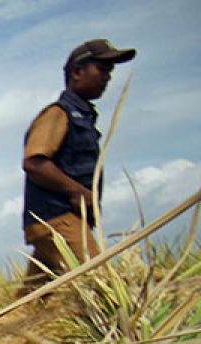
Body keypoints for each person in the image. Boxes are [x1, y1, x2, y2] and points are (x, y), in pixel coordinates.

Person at [20, 39, 135, 291]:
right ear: (77, 72)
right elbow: (34, 161)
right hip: (57, 220)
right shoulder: (58, 114)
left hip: (58, 221)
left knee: (30, 302)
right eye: (102, 70)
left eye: (110, 72)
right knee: (102, 287)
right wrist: (77, 191)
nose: (107, 78)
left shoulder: (81, 116)